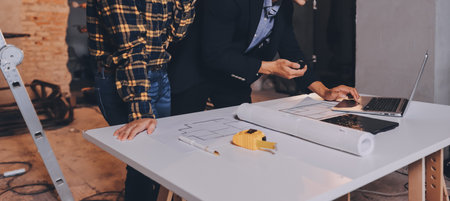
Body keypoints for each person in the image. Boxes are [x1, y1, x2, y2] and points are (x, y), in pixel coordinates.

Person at [169, 0, 359, 116]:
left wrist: (324, 91)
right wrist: (269, 67)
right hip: (195, 72)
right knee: (178, 143)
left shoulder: (284, 7)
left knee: (240, 134)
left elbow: (292, 53)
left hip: (234, 75)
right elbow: (214, 54)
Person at [86, 0, 195, 200]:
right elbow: (130, 49)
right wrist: (141, 112)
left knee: (157, 158)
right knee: (142, 163)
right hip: (122, 78)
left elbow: (175, 34)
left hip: (160, 75)